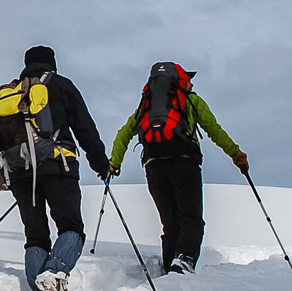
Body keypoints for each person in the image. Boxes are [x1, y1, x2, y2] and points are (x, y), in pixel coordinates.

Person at [0, 45, 108, 291]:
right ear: (52, 64)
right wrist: (101, 164)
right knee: (71, 227)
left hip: (20, 173)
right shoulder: (60, 85)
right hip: (57, 166)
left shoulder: (12, 94)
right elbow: (85, 128)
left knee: (36, 236)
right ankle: (54, 272)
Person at [106, 61, 247, 274]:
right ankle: (184, 261)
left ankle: (169, 270)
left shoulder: (146, 105)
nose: (192, 84)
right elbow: (213, 130)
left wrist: (114, 163)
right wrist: (236, 154)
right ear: (182, 81)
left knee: (170, 224)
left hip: (154, 168)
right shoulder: (190, 100)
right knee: (191, 219)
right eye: (189, 80)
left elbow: (123, 134)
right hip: (184, 163)